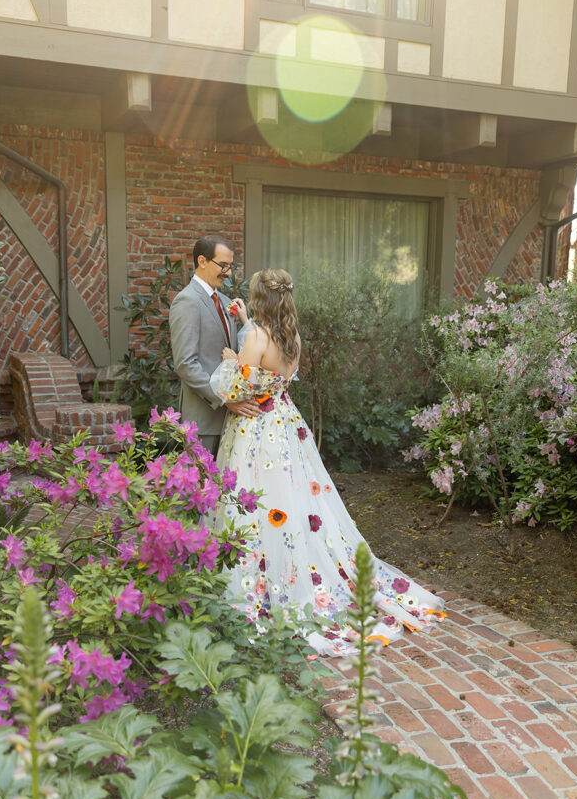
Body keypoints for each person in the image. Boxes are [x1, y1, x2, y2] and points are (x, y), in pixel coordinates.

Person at [207, 267, 446, 656]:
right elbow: (273, 369)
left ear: (258, 299)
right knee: (293, 503)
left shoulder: (256, 337)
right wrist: (245, 326)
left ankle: (263, 584)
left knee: (255, 504)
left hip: (256, 431)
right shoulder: (292, 337)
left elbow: (238, 385)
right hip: (285, 425)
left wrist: (234, 357)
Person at [169, 234, 259, 457]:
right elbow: (185, 364)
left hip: (232, 418)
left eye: (230, 266)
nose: (228, 273)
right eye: (223, 265)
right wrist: (225, 399)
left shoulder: (227, 303)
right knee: (201, 488)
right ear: (202, 261)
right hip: (204, 420)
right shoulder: (187, 301)